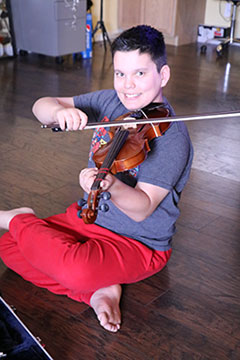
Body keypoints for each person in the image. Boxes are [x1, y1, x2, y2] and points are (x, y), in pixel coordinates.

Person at [0, 25, 193, 333]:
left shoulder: (171, 136)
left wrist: (110, 185)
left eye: (140, 74)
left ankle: (18, 219)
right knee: (8, 248)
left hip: (139, 243)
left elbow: (143, 208)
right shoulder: (109, 102)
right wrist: (56, 112)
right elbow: (41, 104)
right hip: (87, 218)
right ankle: (95, 291)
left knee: (71, 267)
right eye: (120, 74)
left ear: (163, 75)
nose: (128, 86)